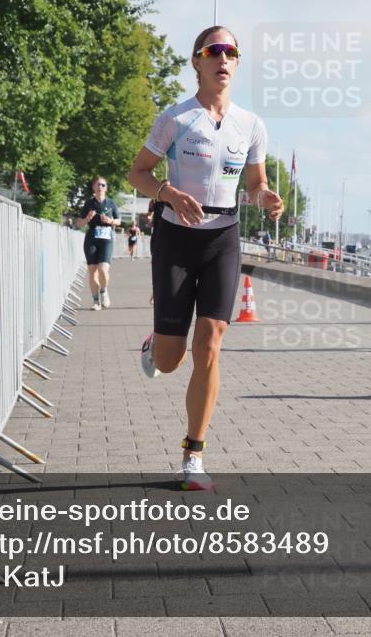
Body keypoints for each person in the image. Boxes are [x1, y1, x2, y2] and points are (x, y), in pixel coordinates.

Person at [127, 25, 283, 490]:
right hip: (176, 239)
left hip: (223, 239)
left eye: (231, 52)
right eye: (214, 51)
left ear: (236, 63)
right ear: (197, 61)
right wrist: (168, 193)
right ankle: (158, 343)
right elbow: (137, 172)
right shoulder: (176, 118)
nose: (223, 58)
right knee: (173, 360)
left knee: (210, 345)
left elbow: (253, 186)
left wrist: (265, 195)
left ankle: (193, 455)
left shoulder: (251, 125)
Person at [78, 176, 121, 310]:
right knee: (93, 271)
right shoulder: (88, 204)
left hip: (106, 238)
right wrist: (87, 218)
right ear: (94, 188)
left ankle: (104, 291)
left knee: (103, 269)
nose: (100, 187)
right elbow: (79, 224)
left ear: (106, 188)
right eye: (98, 185)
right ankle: (96, 302)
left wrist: (111, 221)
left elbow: (119, 221)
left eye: (103, 185)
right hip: (92, 238)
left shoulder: (111, 203)